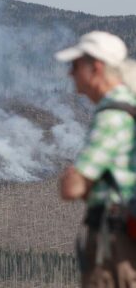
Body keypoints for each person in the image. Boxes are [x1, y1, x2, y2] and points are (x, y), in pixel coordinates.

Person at [55, 31, 136, 288]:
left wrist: (75, 178)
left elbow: (72, 188)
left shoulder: (112, 117)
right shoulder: (130, 107)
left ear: (96, 68)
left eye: (76, 65)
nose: (71, 74)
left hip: (113, 244)